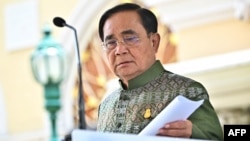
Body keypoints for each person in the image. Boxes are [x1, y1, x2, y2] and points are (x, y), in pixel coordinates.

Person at [96, 3, 223, 141]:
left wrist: (193, 133)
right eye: (111, 43)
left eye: (130, 38)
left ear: (154, 42)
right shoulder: (106, 106)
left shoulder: (187, 91)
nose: (119, 50)